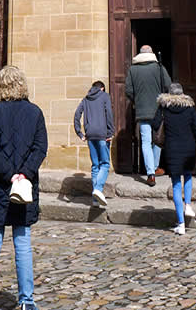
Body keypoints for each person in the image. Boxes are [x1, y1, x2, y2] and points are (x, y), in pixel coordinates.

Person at [0, 64, 47, 310]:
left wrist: (8, 174)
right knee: (22, 243)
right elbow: (40, 148)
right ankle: (27, 303)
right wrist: (23, 173)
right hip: (23, 187)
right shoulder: (35, 113)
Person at [151, 81, 196, 235]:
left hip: (172, 149)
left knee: (176, 184)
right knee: (188, 177)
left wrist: (161, 111)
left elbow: (154, 124)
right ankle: (188, 205)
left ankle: (181, 224)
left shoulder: (164, 107)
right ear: (182, 94)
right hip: (188, 149)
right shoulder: (189, 108)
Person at [124, 45, 170, 186]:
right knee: (159, 138)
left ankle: (151, 172)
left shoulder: (133, 69)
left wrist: (137, 100)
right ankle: (155, 166)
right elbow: (168, 85)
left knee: (145, 141)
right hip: (158, 110)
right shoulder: (159, 68)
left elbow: (128, 90)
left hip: (142, 111)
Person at [73, 80, 114, 208]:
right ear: (102, 88)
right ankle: (98, 189)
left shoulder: (86, 99)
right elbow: (109, 114)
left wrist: (80, 133)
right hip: (102, 134)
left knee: (95, 165)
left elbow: (76, 115)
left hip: (90, 135)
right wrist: (110, 132)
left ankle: (95, 200)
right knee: (105, 164)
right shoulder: (105, 96)